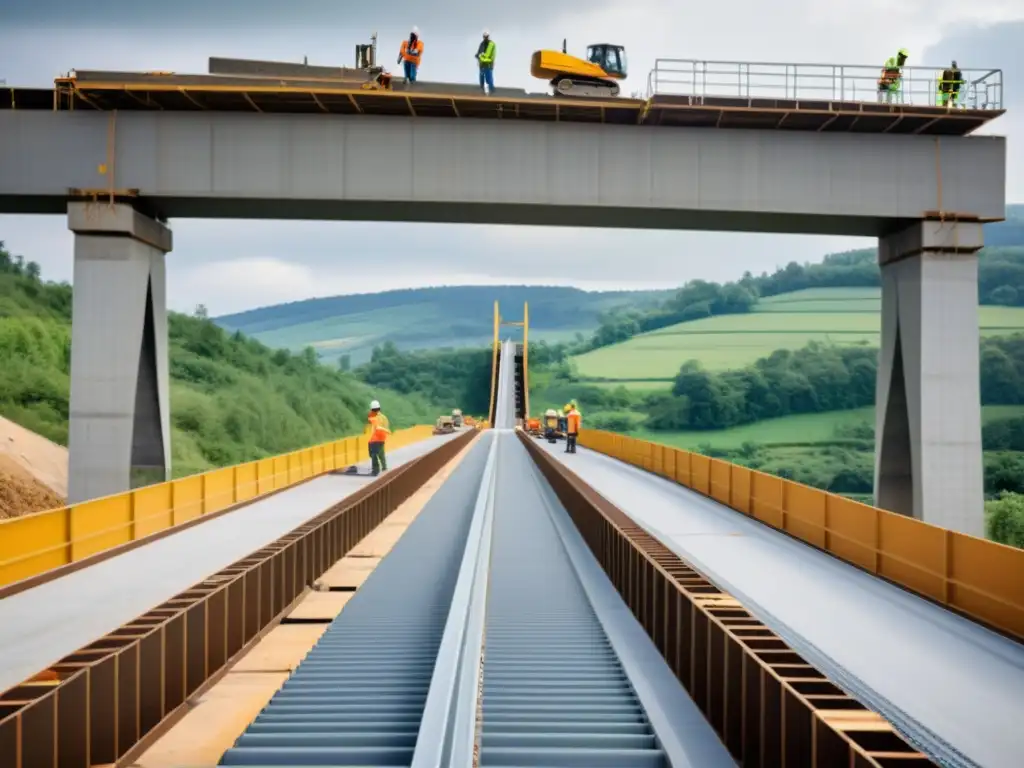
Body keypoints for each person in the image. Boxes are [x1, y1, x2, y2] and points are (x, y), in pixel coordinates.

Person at [367, 399, 391, 476]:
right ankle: (384, 467)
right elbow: (386, 427)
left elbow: (371, 427)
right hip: (382, 438)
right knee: (381, 453)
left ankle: (375, 470)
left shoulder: (372, 417)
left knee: (373, 454)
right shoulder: (384, 417)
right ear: (379, 408)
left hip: (374, 439)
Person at [477, 29, 496, 94]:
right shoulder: (482, 44)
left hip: (488, 64)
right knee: (481, 77)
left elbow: (488, 56)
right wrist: (479, 56)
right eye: (484, 36)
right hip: (482, 64)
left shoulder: (491, 44)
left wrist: (481, 56)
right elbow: (479, 53)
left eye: (486, 36)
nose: (485, 38)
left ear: (489, 36)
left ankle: (492, 92)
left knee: (489, 79)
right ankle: (482, 90)